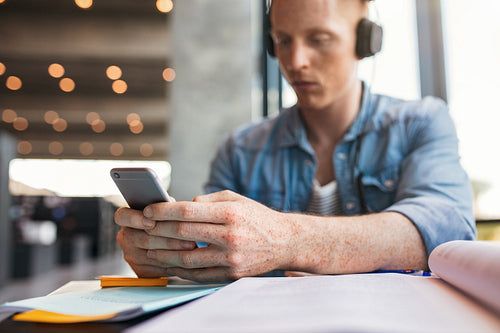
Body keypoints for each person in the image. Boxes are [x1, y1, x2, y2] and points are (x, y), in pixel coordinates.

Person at [114, 0, 476, 282]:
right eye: (282, 41)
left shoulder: (420, 122)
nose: (295, 61)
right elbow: (213, 261)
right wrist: (166, 255)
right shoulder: (239, 150)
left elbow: (447, 229)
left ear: (365, 41)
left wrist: (287, 240)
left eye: (318, 39)